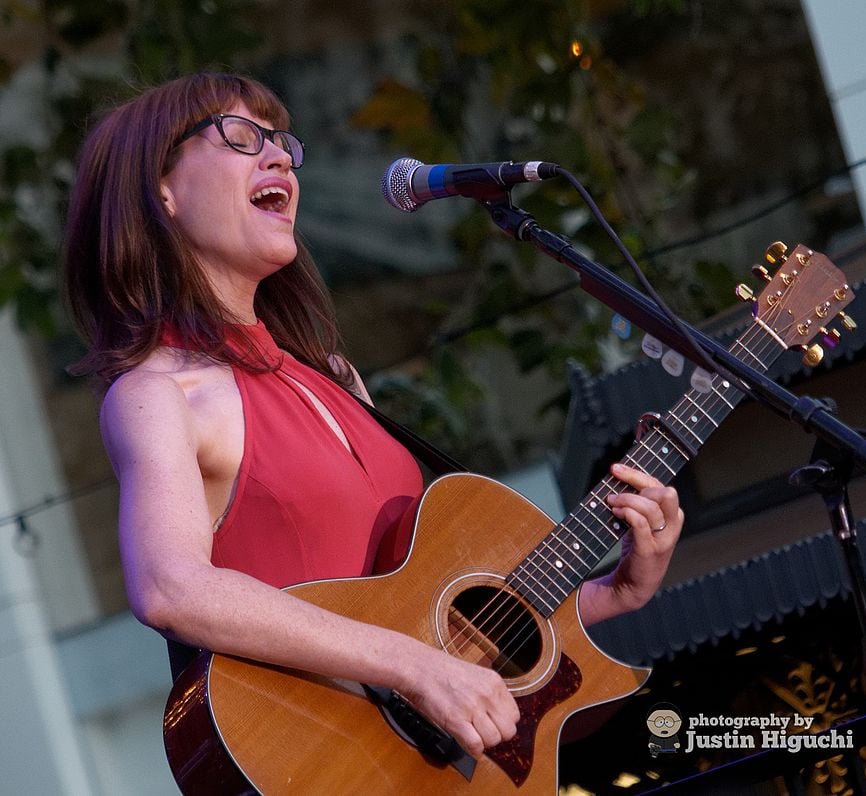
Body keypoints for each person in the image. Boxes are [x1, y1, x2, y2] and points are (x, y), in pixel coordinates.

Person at [61, 72, 684, 761]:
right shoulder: (157, 393)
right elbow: (170, 586)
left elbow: (441, 637)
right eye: (240, 137)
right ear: (161, 191)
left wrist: (611, 591)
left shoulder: (333, 375)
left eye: (280, 142)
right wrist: (413, 666)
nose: (278, 158)